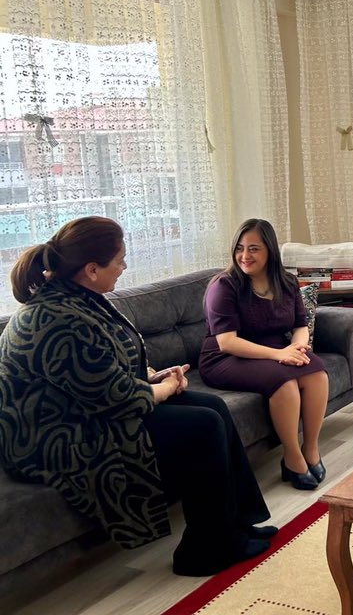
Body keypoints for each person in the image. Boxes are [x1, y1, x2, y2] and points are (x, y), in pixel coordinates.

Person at [0, 217, 274, 577]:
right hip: (54, 436)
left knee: (213, 406)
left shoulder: (78, 298)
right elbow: (119, 397)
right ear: (92, 269)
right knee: (202, 425)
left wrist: (154, 377)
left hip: (85, 410)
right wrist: (166, 387)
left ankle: (234, 525)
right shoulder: (55, 319)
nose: (124, 267)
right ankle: (202, 552)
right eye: (120, 261)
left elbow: (103, 373)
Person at [199, 218, 329, 491]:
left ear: (270, 250)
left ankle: (311, 449)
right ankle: (292, 458)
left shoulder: (287, 282)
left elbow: (300, 325)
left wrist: (298, 348)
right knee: (285, 383)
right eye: (240, 248)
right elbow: (227, 342)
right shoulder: (224, 286)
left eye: (254, 248)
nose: (245, 256)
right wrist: (279, 354)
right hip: (227, 358)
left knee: (317, 373)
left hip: (274, 352)